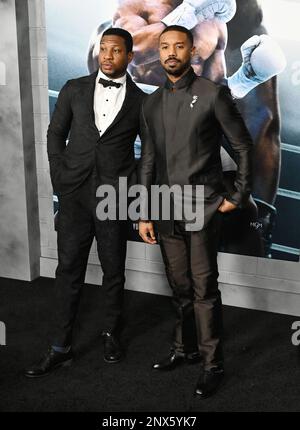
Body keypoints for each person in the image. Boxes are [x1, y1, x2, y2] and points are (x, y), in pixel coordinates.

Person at [87, 0, 286, 256]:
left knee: (246, 214)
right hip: (137, 128)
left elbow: (217, 89)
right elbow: (133, 51)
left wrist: (246, 78)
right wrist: (189, 13)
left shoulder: (218, 26)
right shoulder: (136, 9)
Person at [138, 25, 253, 398]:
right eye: (165, 46)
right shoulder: (151, 103)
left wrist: (237, 194)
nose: (171, 52)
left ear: (191, 52)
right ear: (160, 52)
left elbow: (243, 147)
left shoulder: (213, 95)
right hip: (165, 210)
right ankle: (182, 349)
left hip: (203, 208)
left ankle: (212, 364)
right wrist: (144, 212)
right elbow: (149, 162)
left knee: (204, 289)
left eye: (179, 46)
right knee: (180, 285)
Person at [25, 28, 145, 378]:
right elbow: (54, 134)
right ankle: (60, 347)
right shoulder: (74, 88)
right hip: (74, 194)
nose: (107, 55)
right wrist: (60, 177)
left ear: (129, 56)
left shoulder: (141, 101)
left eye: (116, 51)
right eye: (103, 49)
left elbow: (150, 151)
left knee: (113, 273)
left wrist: (131, 185)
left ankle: (111, 335)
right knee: (68, 271)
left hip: (114, 197)